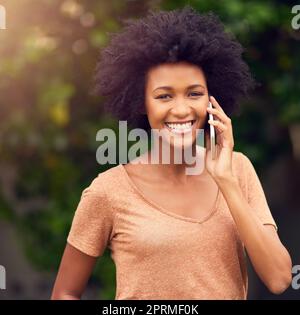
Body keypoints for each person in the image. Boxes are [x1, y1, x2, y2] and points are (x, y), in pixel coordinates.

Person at [51, 6, 292, 300]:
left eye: (194, 93)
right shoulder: (108, 191)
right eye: (164, 96)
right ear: (142, 103)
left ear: (212, 99)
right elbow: (65, 292)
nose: (181, 110)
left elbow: (279, 278)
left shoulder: (238, 170)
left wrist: (226, 182)